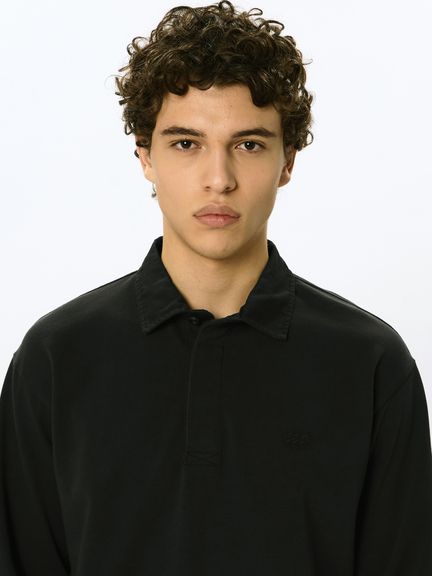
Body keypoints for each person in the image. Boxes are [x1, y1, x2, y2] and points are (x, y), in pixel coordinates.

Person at [1, 1, 431, 574]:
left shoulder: (371, 363)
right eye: (187, 143)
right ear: (145, 156)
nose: (219, 179)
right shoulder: (57, 357)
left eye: (249, 144)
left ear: (287, 162)